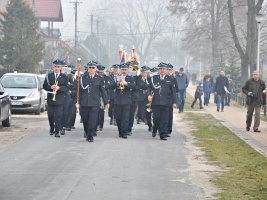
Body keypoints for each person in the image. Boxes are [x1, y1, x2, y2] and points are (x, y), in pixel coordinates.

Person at [78, 61, 109, 142]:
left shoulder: (99, 78)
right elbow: (79, 91)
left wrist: (106, 102)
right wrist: (77, 102)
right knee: (85, 119)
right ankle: (86, 131)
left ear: (96, 69)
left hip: (94, 103)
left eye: (93, 68)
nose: (91, 69)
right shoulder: (82, 78)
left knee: (92, 120)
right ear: (88, 68)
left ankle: (90, 136)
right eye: (90, 67)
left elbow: (103, 91)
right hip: (84, 102)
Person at [149, 62, 177, 140]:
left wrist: (174, 102)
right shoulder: (153, 78)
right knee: (156, 118)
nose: (162, 70)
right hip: (156, 102)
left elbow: (173, 91)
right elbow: (149, 88)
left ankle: (163, 134)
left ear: (166, 70)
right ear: (158, 70)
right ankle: (155, 129)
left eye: (163, 69)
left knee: (164, 119)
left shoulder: (170, 79)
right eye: (160, 69)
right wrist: (149, 95)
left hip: (166, 102)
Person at [43, 59, 69, 138]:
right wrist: (51, 87)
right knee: (50, 115)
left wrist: (59, 87)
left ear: (61, 68)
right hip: (51, 99)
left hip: (60, 99)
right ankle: (52, 128)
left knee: (58, 115)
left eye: (58, 67)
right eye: (55, 67)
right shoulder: (49, 76)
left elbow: (67, 88)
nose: (56, 68)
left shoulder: (64, 76)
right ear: (53, 67)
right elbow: (44, 86)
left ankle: (57, 131)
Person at [111, 63, 137, 139]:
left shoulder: (130, 78)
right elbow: (110, 86)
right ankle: (120, 131)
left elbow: (135, 87)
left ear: (128, 70)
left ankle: (124, 133)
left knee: (125, 117)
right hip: (117, 100)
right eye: (122, 69)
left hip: (127, 100)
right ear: (120, 70)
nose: (124, 71)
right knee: (118, 117)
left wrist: (127, 84)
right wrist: (117, 83)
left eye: (125, 69)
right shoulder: (116, 77)